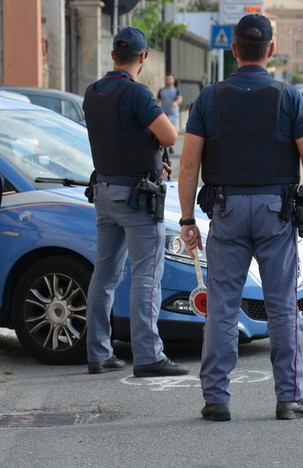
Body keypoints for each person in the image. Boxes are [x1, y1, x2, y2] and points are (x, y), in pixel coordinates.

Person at [177, 14, 303, 421]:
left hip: (225, 211)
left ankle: (217, 400)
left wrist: (187, 220)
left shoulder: (208, 98)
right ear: (272, 50)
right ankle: (288, 398)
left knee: (223, 307)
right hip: (276, 212)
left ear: (234, 49)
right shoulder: (289, 98)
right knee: (282, 307)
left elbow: (188, 166)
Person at [83, 26, 189, 378]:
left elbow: (118, 136)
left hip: (103, 191)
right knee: (147, 275)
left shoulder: (93, 92)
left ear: (113, 55)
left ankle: (98, 353)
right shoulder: (138, 94)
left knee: (105, 274)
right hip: (136, 197)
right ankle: (148, 356)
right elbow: (170, 134)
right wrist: (153, 149)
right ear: (143, 58)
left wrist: (146, 149)